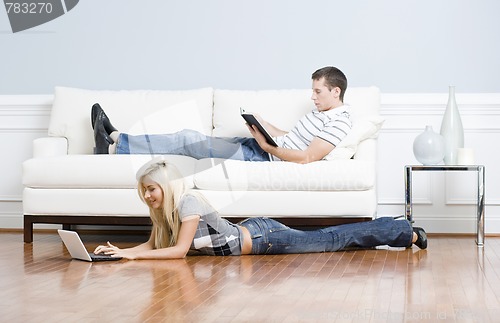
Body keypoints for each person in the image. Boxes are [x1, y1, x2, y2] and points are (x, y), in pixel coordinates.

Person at [93, 159, 427, 260]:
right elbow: (153, 245)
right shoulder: (165, 214)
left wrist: (133, 258)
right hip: (253, 232)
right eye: (144, 191)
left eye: (151, 189)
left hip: (265, 238)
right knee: (329, 240)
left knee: (331, 239)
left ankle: (403, 231)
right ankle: (397, 227)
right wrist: (120, 252)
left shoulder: (188, 202)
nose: (148, 196)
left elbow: (179, 251)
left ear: (166, 185)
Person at [92, 66, 352, 164]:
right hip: (263, 148)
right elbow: (292, 138)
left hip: (263, 157)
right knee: (189, 138)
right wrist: (264, 126)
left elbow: (307, 157)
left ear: (336, 91)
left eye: (318, 92)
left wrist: (265, 146)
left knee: (186, 141)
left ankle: (115, 142)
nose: (313, 97)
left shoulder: (339, 120)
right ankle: (116, 139)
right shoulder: (320, 113)